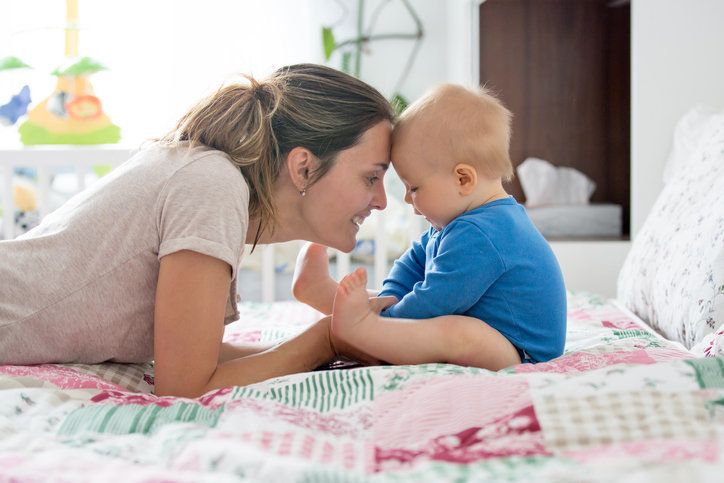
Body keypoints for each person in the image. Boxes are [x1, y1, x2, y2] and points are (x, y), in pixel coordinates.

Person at [0, 64, 395, 397]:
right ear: (304, 167)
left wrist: (328, 343)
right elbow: (185, 385)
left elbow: (197, 356)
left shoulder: (210, 177)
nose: (382, 201)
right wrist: (325, 340)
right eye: (371, 177)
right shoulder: (212, 185)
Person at [293, 84, 567, 371]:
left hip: (520, 352)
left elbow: (435, 300)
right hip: (496, 338)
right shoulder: (456, 224)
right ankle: (326, 295)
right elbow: (412, 265)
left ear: (463, 179)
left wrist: (383, 323)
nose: (406, 198)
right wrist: (388, 300)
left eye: (413, 187)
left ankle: (363, 330)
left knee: (459, 331)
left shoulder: (486, 233)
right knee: (413, 306)